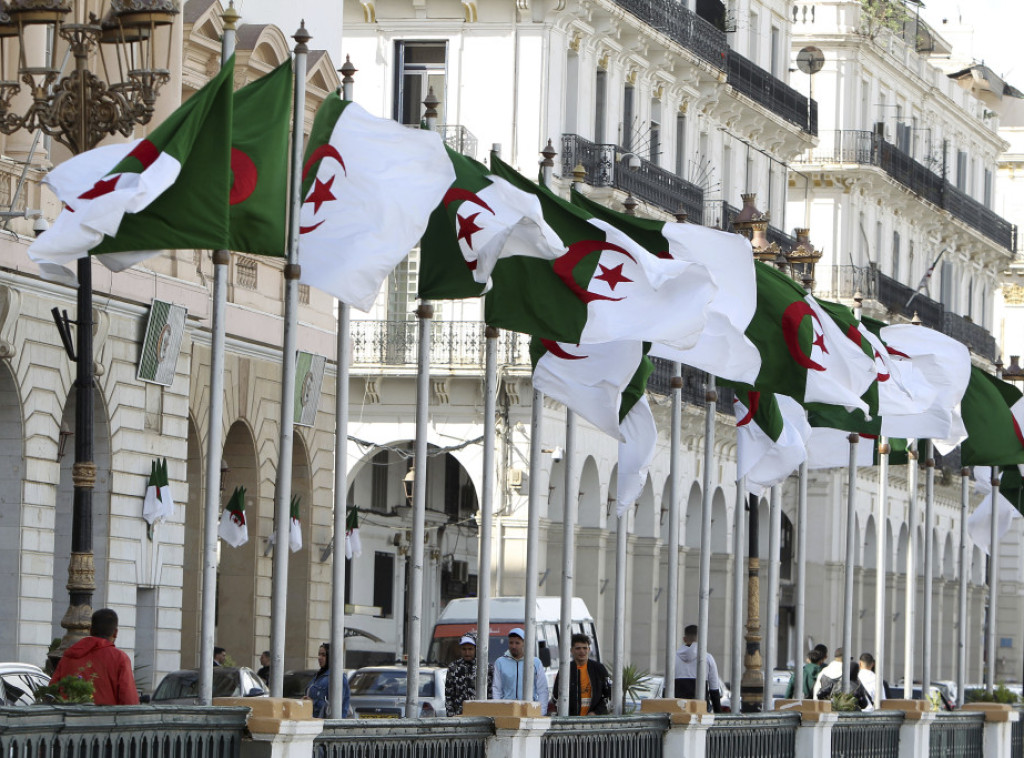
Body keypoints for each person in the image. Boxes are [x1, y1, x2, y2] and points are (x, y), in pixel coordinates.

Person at [49, 608, 139, 705]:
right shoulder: (120, 658)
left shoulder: (69, 656)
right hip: (106, 718)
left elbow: (52, 692)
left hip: (69, 717)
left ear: (91, 631)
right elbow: (129, 700)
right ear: (115, 633)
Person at [549, 633, 611, 715]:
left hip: (594, 720)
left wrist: (596, 712)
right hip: (571, 720)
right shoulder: (565, 670)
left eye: (585, 648)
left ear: (589, 649)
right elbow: (556, 696)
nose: (582, 651)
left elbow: (608, 695)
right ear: (571, 650)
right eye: (578, 648)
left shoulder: (599, 669)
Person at [492, 628, 549, 714]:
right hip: (507, 711)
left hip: (529, 710)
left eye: (517, 643)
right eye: (511, 643)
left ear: (524, 643)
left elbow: (542, 690)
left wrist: (541, 712)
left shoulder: (535, 663)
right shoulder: (500, 662)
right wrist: (498, 711)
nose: (513, 646)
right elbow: (497, 689)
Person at [673, 624, 722, 712]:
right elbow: (714, 689)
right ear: (701, 638)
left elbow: (665, 688)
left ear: (684, 639)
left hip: (678, 709)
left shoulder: (673, 658)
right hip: (701, 709)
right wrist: (718, 714)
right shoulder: (707, 658)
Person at [445, 632, 493, 716]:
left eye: (470, 649)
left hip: (481, 716)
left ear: (476, 649)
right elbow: (449, 694)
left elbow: (490, 693)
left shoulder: (486, 668)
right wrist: (451, 716)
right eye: (464, 649)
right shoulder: (453, 667)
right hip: (459, 716)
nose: (467, 652)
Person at [306, 642, 350, 718]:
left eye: (323, 655)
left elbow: (336, 707)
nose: (320, 658)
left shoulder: (337, 677)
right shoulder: (318, 676)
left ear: (331, 656)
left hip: (329, 725)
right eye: (319, 654)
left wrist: (312, 703)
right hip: (315, 722)